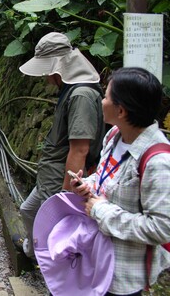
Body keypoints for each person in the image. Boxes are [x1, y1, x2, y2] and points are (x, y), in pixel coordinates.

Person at [71, 67, 170, 296]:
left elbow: (162, 228)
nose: (102, 101)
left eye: (106, 97)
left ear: (121, 110)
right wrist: (88, 183)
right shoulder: (115, 135)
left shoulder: (158, 162)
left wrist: (101, 211)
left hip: (120, 276)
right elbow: (107, 177)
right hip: (94, 255)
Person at [12, 32, 105, 260]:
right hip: (49, 176)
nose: (45, 76)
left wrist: (65, 193)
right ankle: (34, 253)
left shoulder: (81, 95)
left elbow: (80, 149)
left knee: (56, 230)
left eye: (47, 69)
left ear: (58, 67)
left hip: (59, 180)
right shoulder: (71, 91)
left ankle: (52, 272)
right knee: (28, 210)